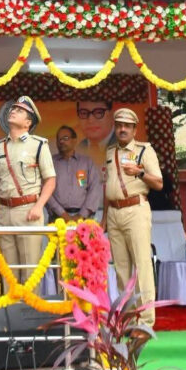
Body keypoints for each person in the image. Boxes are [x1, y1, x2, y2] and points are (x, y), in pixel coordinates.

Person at [102, 107, 162, 328]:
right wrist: (104, 219)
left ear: (135, 130)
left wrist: (140, 173)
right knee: (121, 268)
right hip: (114, 213)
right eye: (119, 125)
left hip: (136, 209)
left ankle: (145, 321)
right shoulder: (110, 152)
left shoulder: (145, 150)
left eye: (127, 126)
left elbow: (159, 183)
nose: (123, 129)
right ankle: (126, 321)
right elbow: (107, 187)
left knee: (142, 265)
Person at [0, 95, 56, 285]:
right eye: (13, 109)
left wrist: (39, 206)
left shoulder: (38, 145)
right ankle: (10, 305)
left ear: (28, 123)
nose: (13, 111)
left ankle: (29, 305)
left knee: (30, 272)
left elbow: (50, 180)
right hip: (4, 212)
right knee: (8, 273)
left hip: (28, 210)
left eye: (19, 111)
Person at [46, 126, 101, 222]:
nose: (61, 141)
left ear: (74, 140)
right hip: (57, 218)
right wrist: (62, 213)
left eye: (65, 138)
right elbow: (45, 189)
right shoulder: (50, 162)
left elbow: (94, 189)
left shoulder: (86, 162)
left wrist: (81, 215)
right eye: (59, 139)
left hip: (83, 218)